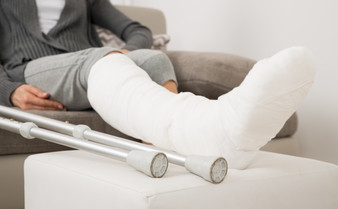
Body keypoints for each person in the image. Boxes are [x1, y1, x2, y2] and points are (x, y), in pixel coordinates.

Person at [0, 0, 316, 169]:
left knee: (155, 60)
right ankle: (206, 131)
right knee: (100, 59)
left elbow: (138, 30)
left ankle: (178, 136)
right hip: (32, 72)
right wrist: (9, 92)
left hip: (96, 66)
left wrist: (126, 54)